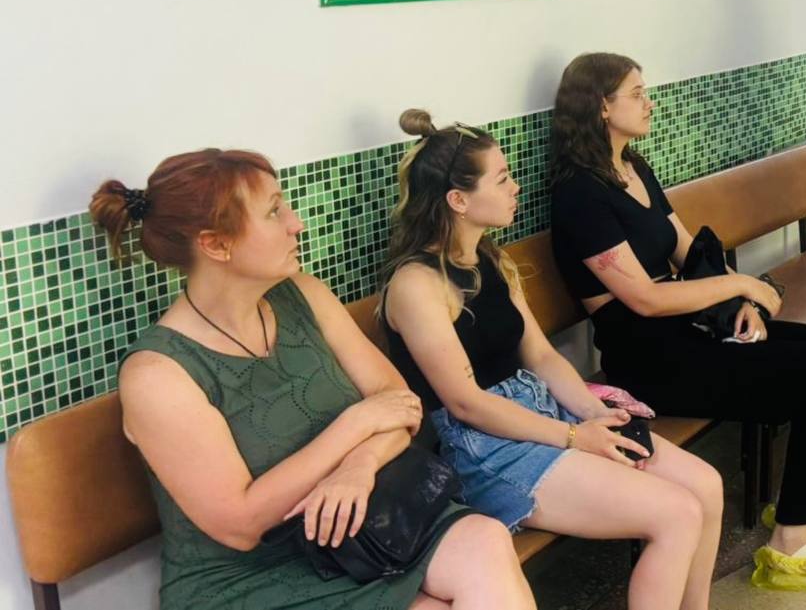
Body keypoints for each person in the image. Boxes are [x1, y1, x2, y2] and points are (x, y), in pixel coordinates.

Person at [90, 148, 535, 610]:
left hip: (365, 526)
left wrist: (359, 465)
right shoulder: (158, 375)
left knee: (484, 539)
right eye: (273, 212)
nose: (296, 223)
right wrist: (357, 423)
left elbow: (399, 402)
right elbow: (241, 525)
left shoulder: (303, 294)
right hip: (253, 577)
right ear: (216, 245)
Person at [549, 56, 806, 593]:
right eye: (637, 93)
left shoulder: (634, 169)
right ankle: (790, 545)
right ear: (601, 106)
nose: (650, 102)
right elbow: (645, 299)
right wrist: (741, 285)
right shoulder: (580, 195)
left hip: (691, 331)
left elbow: (686, 253)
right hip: (649, 359)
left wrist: (741, 304)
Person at [381, 110, 723, 610]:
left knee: (706, 487)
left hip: (543, 410)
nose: (515, 187)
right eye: (502, 178)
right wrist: (574, 437)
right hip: (486, 449)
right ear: (458, 200)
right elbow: (466, 402)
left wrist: (594, 414)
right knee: (676, 513)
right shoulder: (417, 285)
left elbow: (540, 354)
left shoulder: (490, 260)